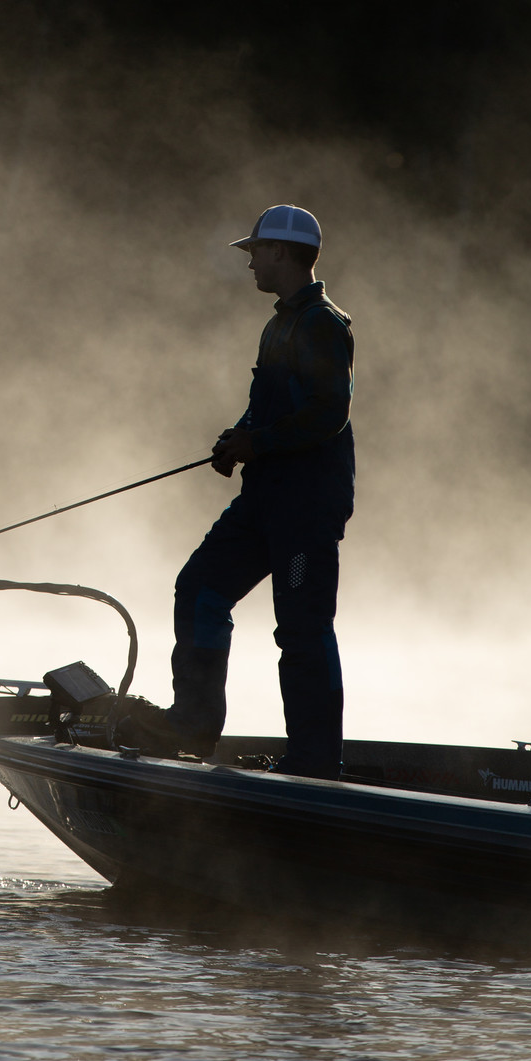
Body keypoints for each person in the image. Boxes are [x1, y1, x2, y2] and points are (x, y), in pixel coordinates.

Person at [116, 204, 355, 778]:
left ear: (280, 251)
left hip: (306, 510)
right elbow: (267, 406)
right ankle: (192, 726)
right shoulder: (278, 324)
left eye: (254, 253)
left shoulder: (324, 324)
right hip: (264, 501)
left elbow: (330, 415)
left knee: (302, 629)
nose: (249, 263)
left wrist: (260, 442)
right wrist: (237, 439)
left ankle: (314, 764)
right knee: (199, 588)